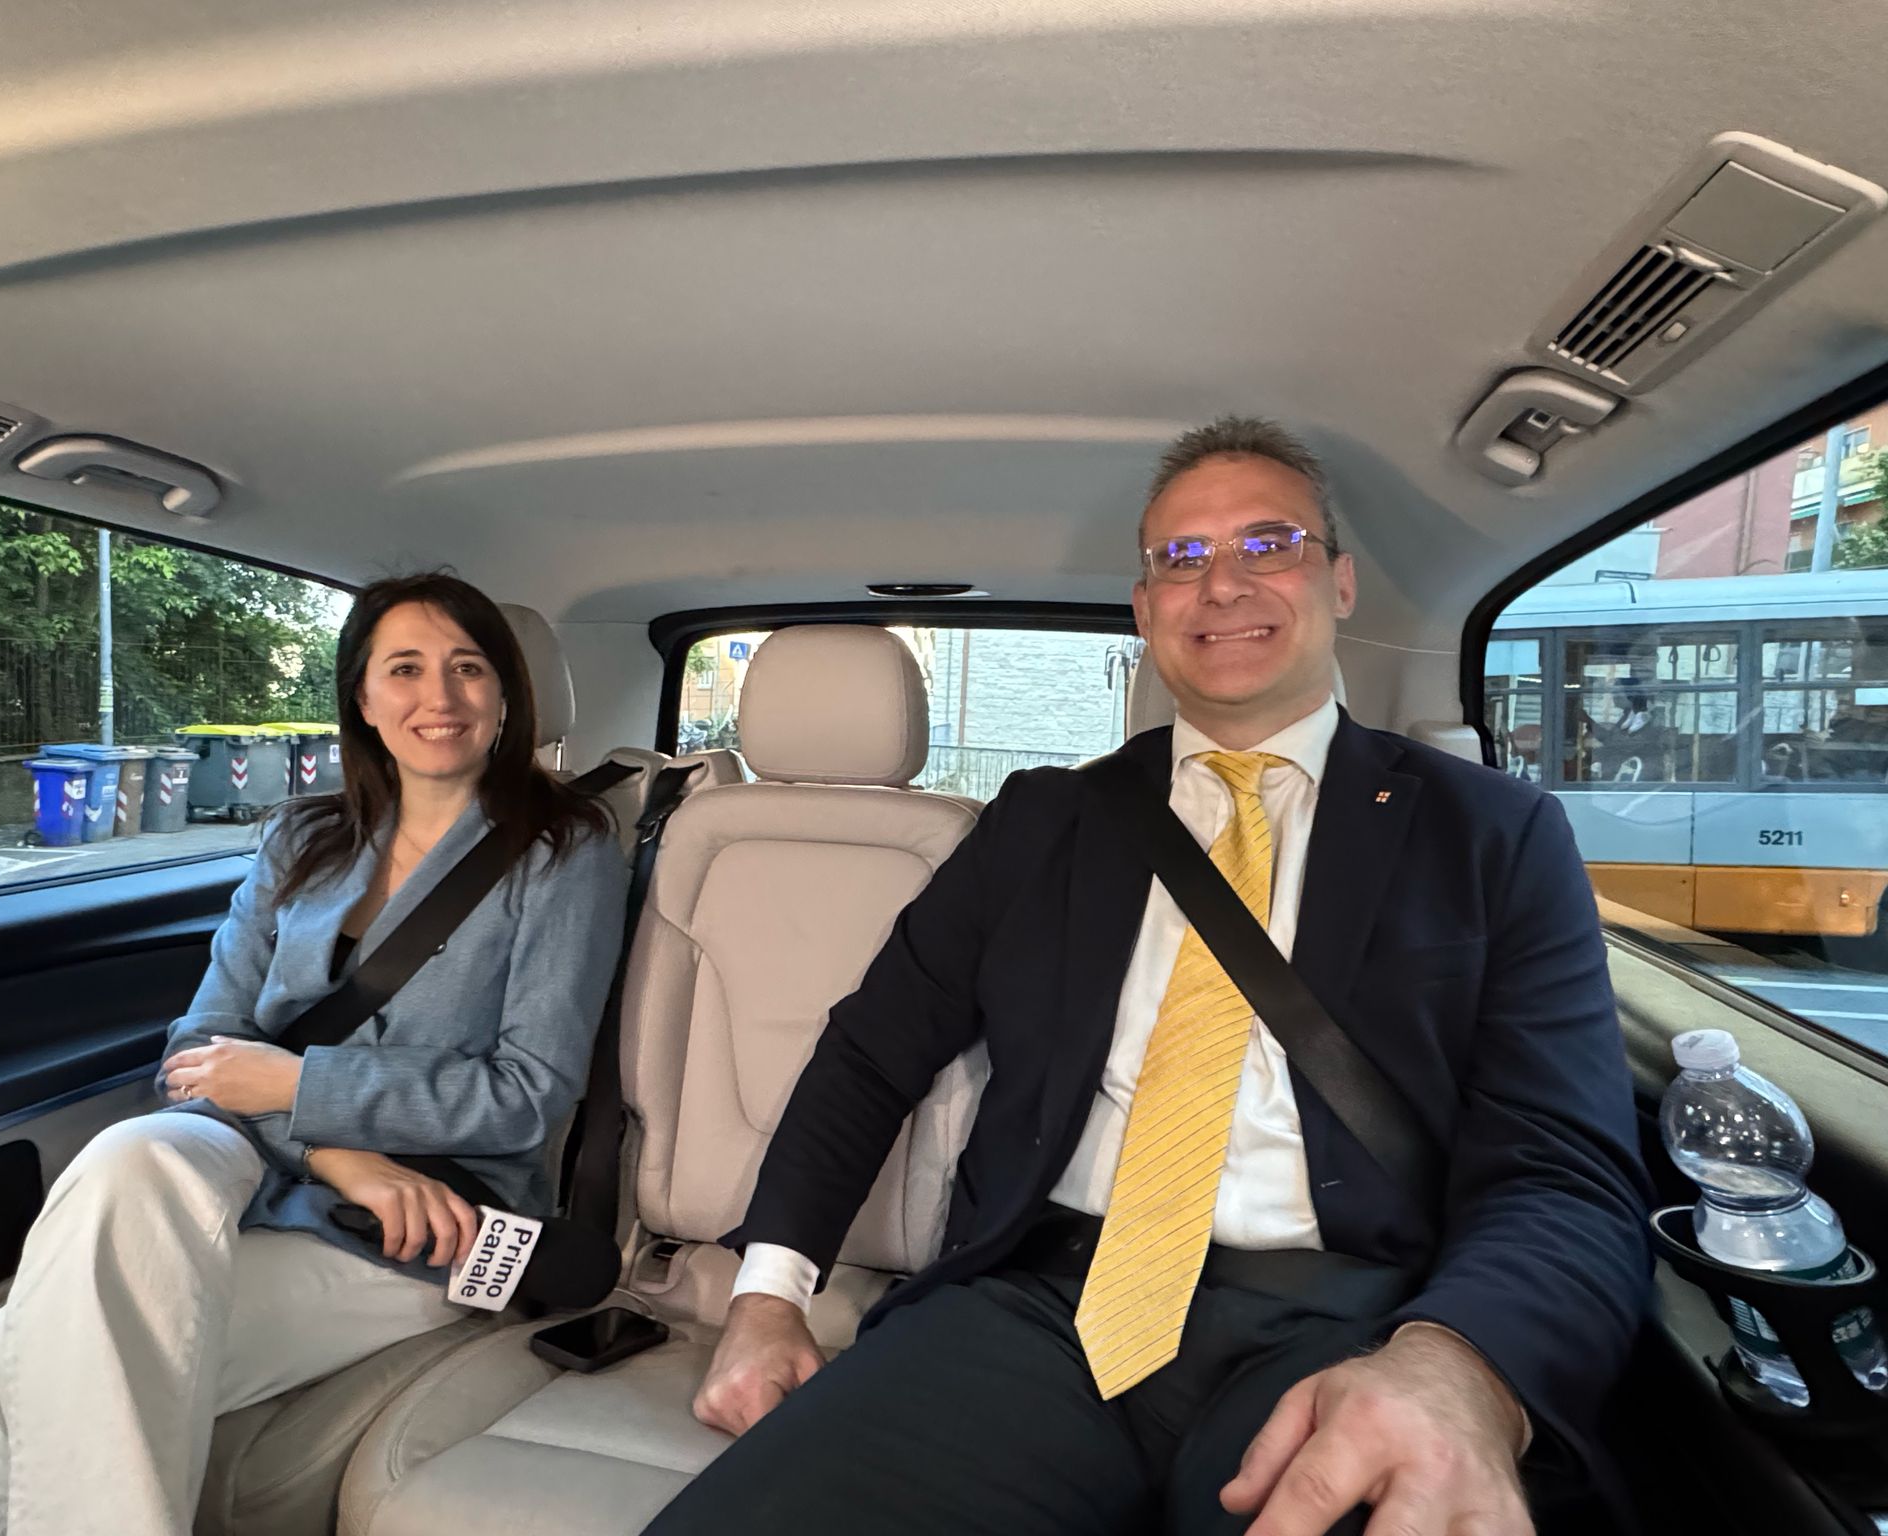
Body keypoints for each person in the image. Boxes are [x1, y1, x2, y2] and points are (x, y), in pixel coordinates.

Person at [646, 419, 1652, 1536]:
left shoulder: (1490, 832)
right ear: (1142, 608)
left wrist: (1460, 1364)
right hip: (1038, 1309)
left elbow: (1561, 1169)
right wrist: (767, 1297)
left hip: (1350, 1327)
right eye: (1181, 557)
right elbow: (869, 1053)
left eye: (1266, 545)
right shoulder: (1043, 821)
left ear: (1340, 582)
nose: (1220, 584)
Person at [0, 572, 628, 1536]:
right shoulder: (303, 838)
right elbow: (199, 1051)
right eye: (405, 668)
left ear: (506, 694)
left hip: (422, 1217)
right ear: (362, 698)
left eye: (468, 668)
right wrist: (331, 1146)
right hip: (273, 1161)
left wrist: (297, 1083)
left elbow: (526, 1096)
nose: (439, 696)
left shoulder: (565, 850)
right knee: (131, 1150)